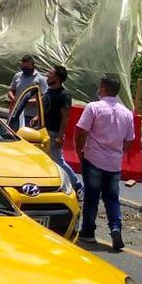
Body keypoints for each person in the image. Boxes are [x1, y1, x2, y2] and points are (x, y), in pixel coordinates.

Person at [75, 73, 134, 252]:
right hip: (114, 163)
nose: (98, 89)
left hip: (94, 159)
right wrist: (119, 152)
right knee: (112, 198)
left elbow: (81, 131)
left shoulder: (93, 107)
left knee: (92, 197)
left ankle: (88, 232)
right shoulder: (127, 113)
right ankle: (115, 228)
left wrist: (80, 150)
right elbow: (130, 139)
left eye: (100, 86)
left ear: (104, 88)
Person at [38, 65, 82, 195]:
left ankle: (76, 183)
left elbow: (66, 117)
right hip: (43, 131)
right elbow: (46, 109)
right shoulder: (48, 91)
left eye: (50, 73)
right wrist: (37, 118)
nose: (47, 75)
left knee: (57, 160)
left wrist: (60, 136)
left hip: (54, 132)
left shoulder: (64, 95)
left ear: (57, 78)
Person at [8, 55, 47, 128]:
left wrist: (27, 101)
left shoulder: (40, 79)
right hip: (16, 112)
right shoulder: (17, 76)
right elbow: (10, 90)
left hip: (30, 115)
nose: (25, 70)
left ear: (33, 66)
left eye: (27, 68)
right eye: (23, 67)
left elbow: (44, 97)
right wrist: (13, 98)